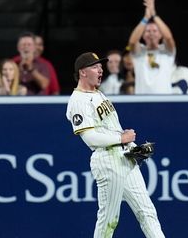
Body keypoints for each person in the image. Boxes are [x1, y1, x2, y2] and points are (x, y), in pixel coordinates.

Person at [66, 52, 165, 238]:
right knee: (109, 219)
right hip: (106, 160)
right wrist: (121, 139)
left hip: (124, 157)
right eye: (95, 66)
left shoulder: (97, 93)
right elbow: (90, 138)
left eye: (101, 66)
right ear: (82, 72)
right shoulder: (77, 101)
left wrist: (131, 146)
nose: (100, 69)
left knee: (147, 211)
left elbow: (111, 129)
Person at [128, 0, 176, 94]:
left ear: (160, 35)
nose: (151, 33)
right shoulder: (139, 52)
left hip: (165, 100)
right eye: (148, 31)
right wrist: (145, 18)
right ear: (143, 35)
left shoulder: (167, 51)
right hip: (142, 101)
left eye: (155, 31)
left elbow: (169, 37)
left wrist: (154, 15)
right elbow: (132, 42)